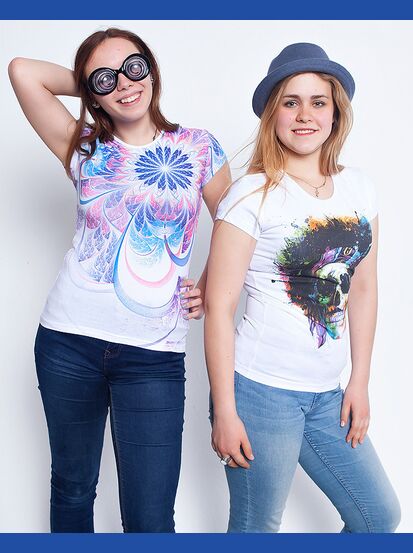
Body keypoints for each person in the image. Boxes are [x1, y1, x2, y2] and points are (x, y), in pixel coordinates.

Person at [9, 27, 230, 533]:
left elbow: (233, 223)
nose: (125, 84)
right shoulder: (82, 145)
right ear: (91, 92)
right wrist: (98, 86)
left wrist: (208, 281)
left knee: (150, 518)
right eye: (105, 79)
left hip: (153, 354)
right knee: (72, 488)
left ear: (152, 68)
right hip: (68, 342)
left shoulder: (198, 147)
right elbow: (22, 70)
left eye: (134, 67)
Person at [204, 43, 401, 533]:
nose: (305, 115)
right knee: (257, 529)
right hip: (260, 392)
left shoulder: (360, 188)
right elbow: (219, 307)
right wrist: (225, 410)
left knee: (378, 518)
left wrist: (359, 381)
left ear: (336, 113)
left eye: (318, 102)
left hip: (327, 395)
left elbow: (363, 288)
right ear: (273, 114)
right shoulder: (251, 194)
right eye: (290, 102)